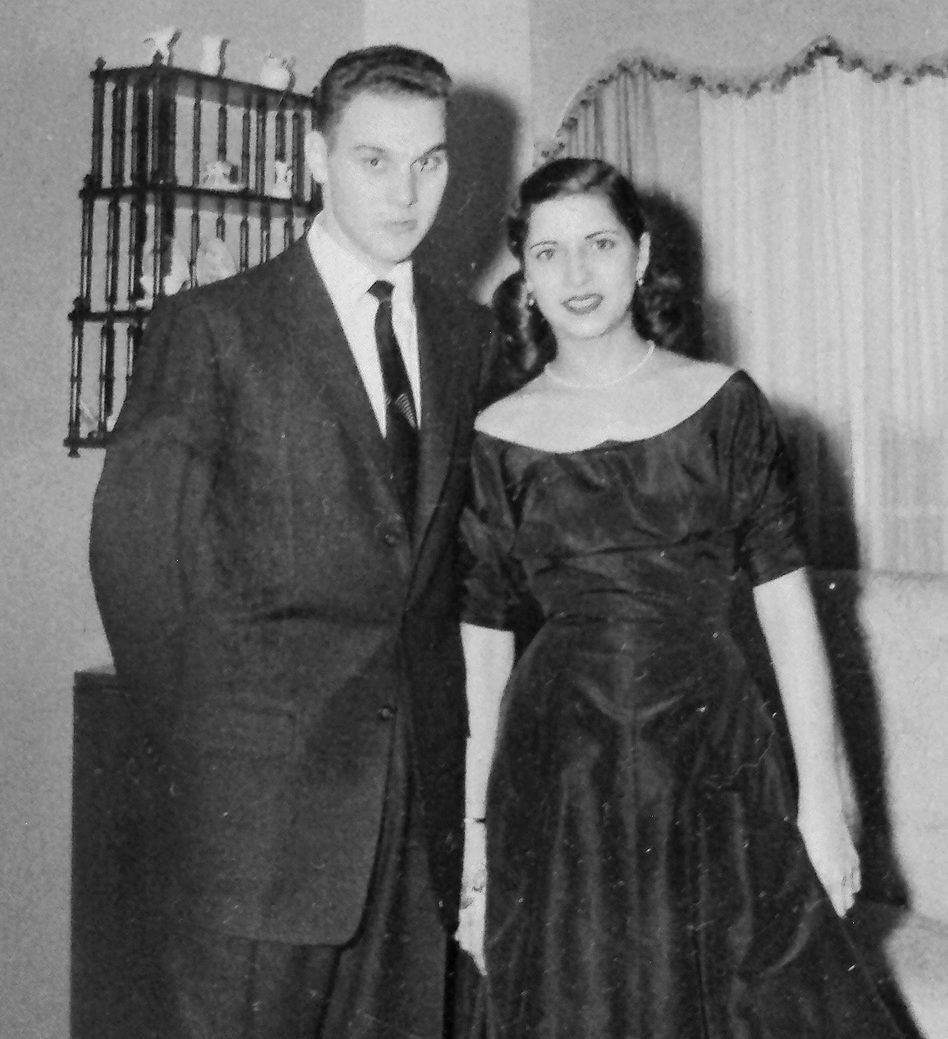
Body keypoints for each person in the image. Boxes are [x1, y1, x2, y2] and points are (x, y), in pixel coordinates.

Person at [89, 44, 494, 1039]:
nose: (406, 192)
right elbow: (134, 567)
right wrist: (222, 758)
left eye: (429, 162)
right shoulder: (214, 327)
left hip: (415, 821)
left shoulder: (470, 335)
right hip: (256, 824)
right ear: (316, 158)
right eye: (374, 160)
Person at [455, 157, 907, 1037]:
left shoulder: (723, 406)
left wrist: (823, 802)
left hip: (712, 755)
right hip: (561, 776)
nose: (576, 273)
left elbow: (789, 615)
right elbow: (483, 658)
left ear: (641, 254)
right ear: (526, 278)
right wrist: (476, 846)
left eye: (599, 244)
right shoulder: (494, 438)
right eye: (548, 253)